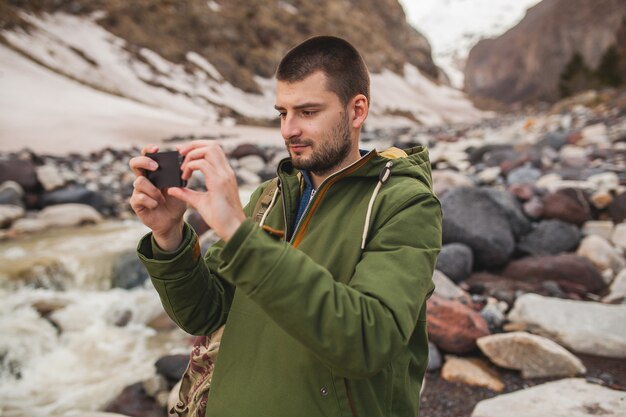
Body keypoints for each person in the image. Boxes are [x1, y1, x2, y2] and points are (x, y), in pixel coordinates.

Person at [129, 35, 441, 417]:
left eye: (308, 112)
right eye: (282, 113)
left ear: (357, 110)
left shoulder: (406, 203)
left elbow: (368, 341)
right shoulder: (270, 196)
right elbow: (204, 314)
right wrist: (169, 236)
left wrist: (241, 237)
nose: (288, 130)